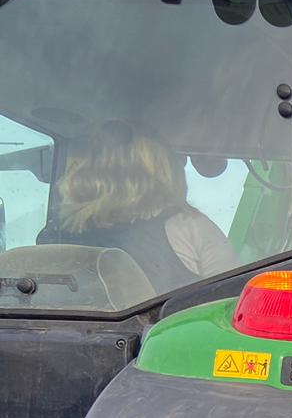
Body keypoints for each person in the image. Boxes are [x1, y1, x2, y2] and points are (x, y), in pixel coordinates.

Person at [48, 121, 237, 292]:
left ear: (92, 167)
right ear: (165, 169)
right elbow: (230, 300)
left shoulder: (56, 232)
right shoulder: (188, 226)